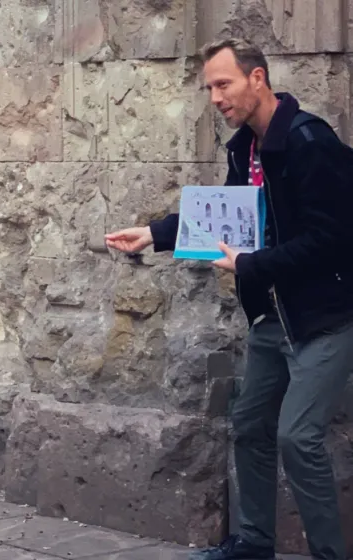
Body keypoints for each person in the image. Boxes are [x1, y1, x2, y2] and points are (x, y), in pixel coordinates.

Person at [105, 39, 353, 560]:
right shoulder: (244, 147)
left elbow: (331, 239)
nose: (215, 98)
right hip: (271, 317)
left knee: (297, 437)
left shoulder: (310, 142)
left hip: (326, 320)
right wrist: (155, 233)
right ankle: (254, 544)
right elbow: (225, 216)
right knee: (249, 428)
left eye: (224, 84)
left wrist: (250, 265)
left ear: (256, 79)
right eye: (210, 88)